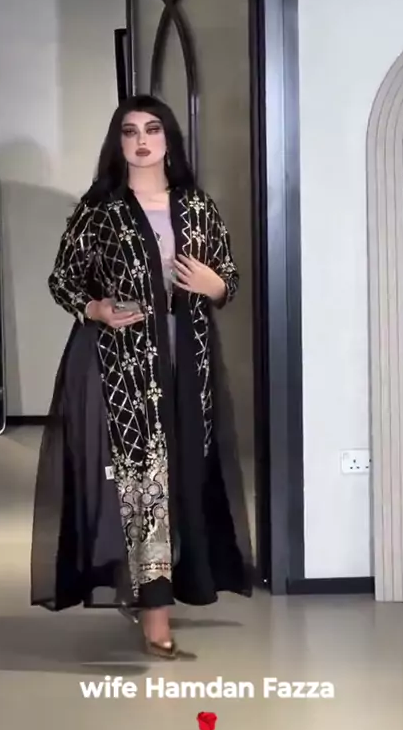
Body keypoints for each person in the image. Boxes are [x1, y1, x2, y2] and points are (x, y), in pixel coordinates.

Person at [30, 94, 253, 659]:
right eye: (130, 131)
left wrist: (214, 285)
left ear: (169, 139)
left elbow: (227, 277)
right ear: (118, 142)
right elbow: (62, 280)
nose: (142, 141)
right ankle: (155, 614)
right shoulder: (99, 209)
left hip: (190, 365)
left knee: (184, 476)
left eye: (153, 129)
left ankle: (168, 584)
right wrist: (96, 309)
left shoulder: (197, 207)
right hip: (124, 368)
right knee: (143, 481)